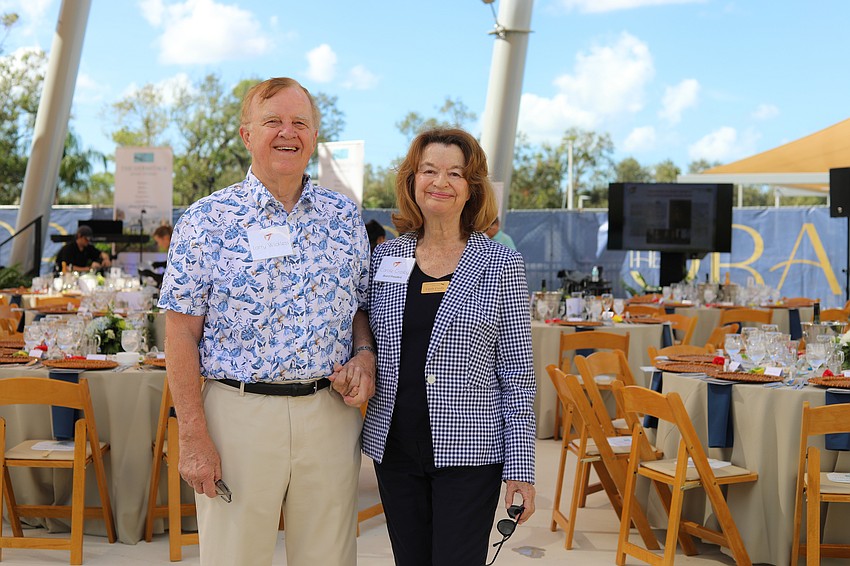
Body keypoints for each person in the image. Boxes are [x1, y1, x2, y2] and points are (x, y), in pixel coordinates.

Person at [158, 77, 375, 566]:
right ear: (245, 135)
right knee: (235, 557)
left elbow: (361, 307)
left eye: (300, 122)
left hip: (330, 412)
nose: (287, 132)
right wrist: (192, 434)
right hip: (238, 414)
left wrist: (365, 355)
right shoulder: (206, 219)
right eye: (273, 120)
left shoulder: (343, 217)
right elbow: (180, 333)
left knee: (329, 557)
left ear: (314, 137)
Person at [361, 127, 536, 565]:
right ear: (412, 180)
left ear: (471, 188)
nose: (440, 182)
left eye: (455, 173)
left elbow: (517, 375)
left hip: (471, 453)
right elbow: (359, 323)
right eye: (429, 170)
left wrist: (521, 470)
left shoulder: (500, 263)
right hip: (396, 448)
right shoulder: (386, 258)